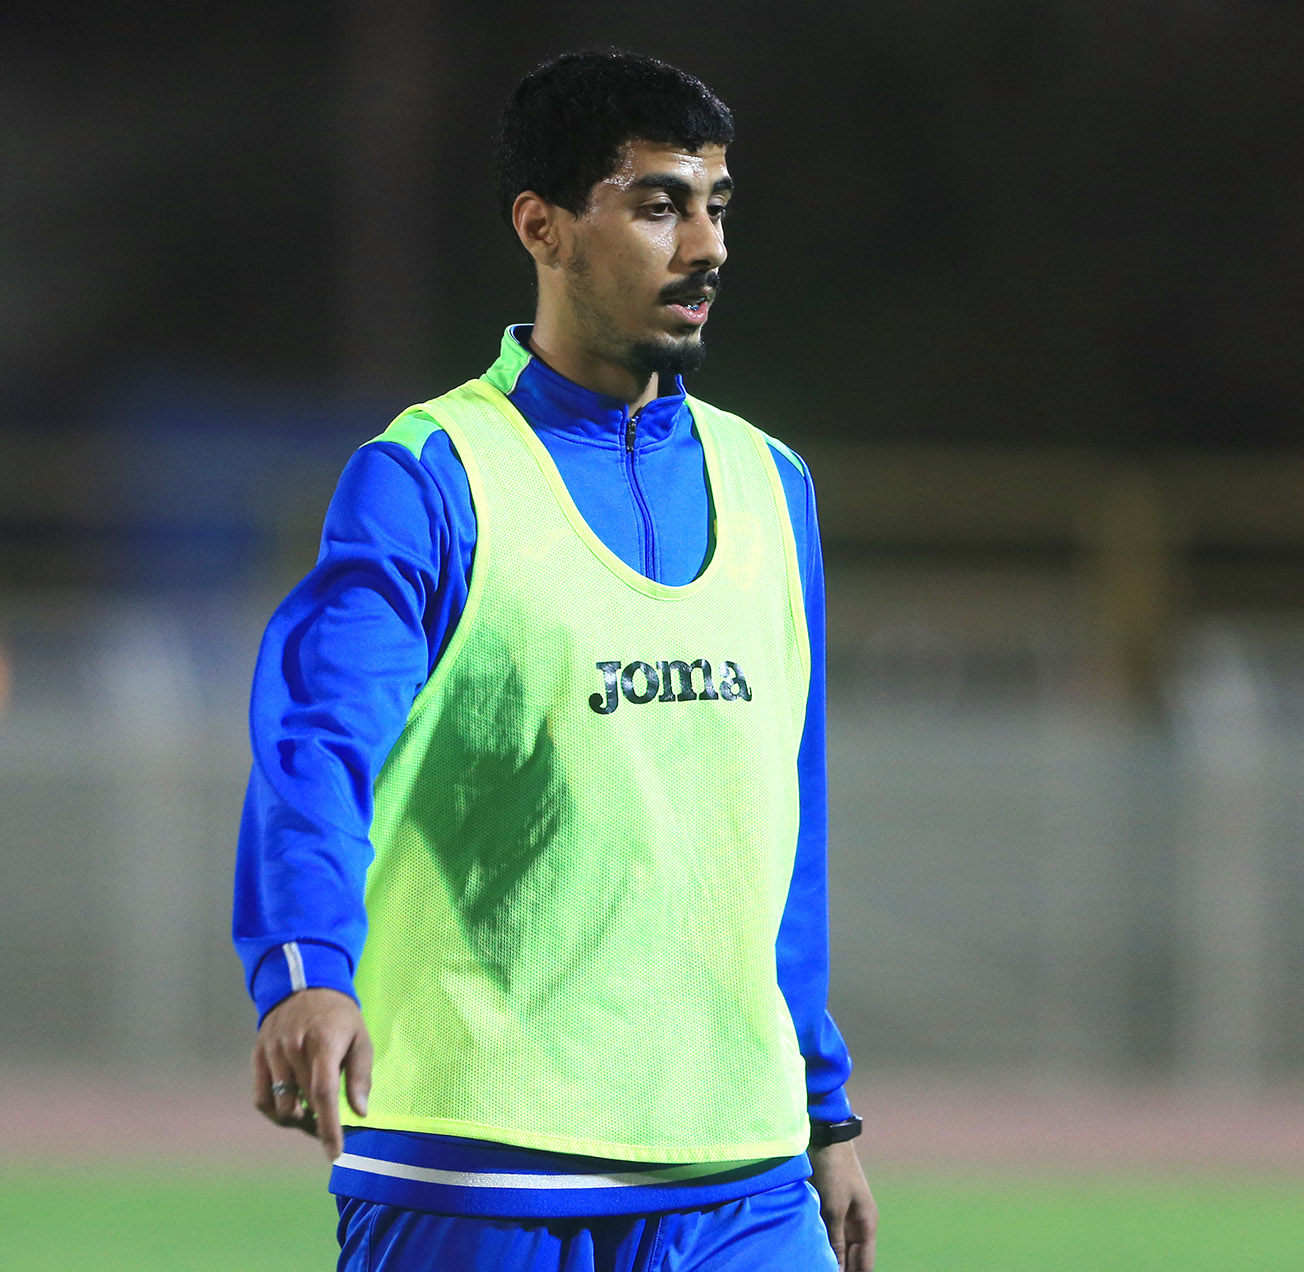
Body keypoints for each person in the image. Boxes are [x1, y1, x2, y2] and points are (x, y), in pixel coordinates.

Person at [231, 49, 877, 1271]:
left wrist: (819, 1107)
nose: (707, 246)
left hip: (740, 1177)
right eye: (659, 205)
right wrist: (306, 968)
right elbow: (317, 745)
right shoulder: (430, 477)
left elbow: (781, 830)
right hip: (476, 1174)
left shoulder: (771, 482)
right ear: (544, 227)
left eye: (717, 206)